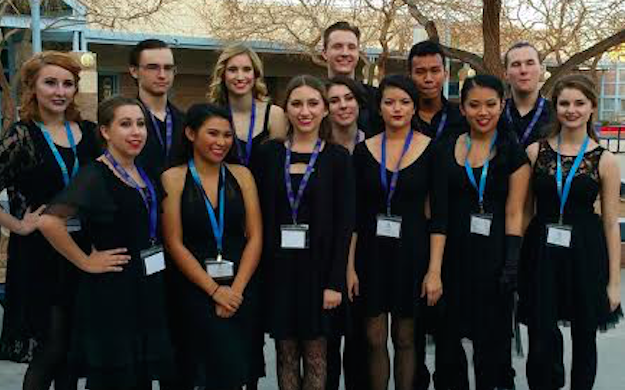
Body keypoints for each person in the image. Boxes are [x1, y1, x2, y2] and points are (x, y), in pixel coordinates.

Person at [38, 96, 174, 390]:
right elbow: (49, 221)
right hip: (112, 294)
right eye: (125, 124)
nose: (136, 131)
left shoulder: (144, 172)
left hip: (146, 287)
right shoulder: (95, 174)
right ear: (105, 131)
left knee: (139, 378)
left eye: (140, 124)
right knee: (114, 378)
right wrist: (85, 260)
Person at [0, 51, 100, 390]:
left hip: (82, 251)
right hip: (38, 257)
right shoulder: (22, 135)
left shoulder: (89, 133)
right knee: (51, 348)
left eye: (67, 84)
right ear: (33, 87)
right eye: (50, 83)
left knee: (73, 350)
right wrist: (17, 225)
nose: (60, 91)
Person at [519, 74, 622, 390]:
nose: (571, 110)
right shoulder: (535, 153)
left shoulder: (604, 160)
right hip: (541, 253)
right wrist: (516, 263)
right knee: (541, 336)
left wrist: (614, 282)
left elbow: (609, 222)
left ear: (592, 107)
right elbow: (524, 214)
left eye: (579, 103)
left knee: (584, 336)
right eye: (564, 103)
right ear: (555, 108)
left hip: (586, 255)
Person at [251, 75, 354, 390]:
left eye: (313, 103)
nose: (304, 111)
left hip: (319, 274)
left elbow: (345, 226)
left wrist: (335, 282)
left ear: (324, 110)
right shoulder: (268, 155)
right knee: (285, 355)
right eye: (296, 104)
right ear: (285, 109)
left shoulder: (338, 159)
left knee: (316, 356)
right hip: (279, 272)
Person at [431, 75, 530, 390]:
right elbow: (439, 213)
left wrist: (511, 264)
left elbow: (515, 213)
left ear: (503, 106)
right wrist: (434, 269)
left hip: (494, 263)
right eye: (474, 105)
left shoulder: (514, 154)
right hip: (452, 261)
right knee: (448, 347)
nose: (482, 112)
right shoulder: (445, 149)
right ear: (462, 107)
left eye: (491, 104)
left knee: (492, 350)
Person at [160, 103, 263, 390]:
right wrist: (215, 291)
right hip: (192, 287)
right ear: (191, 134)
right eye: (213, 134)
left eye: (227, 135)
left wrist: (236, 291)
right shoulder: (173, 178)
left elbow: (254, 237)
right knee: (192, 372)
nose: (221, 142)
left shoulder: (242, 175)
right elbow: (173, 243)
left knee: (232, 373)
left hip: (239, 286)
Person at [351, 75, 443, 390]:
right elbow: (354, 214)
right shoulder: (362, 151)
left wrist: (434, 271)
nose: (397, 108)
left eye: (404, 102)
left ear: (414, 107)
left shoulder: (431, 150)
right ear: (379, 108)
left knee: (405, 337)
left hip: (412, 254)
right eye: (389, 102)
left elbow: (439, 217)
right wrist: (349, 266)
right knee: (374, 337)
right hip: (371, 254)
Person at [207, 44, 287, 168]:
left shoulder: (274, 115)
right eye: (232, 70)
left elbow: (279, 167)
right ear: (222, 74)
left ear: (255, 74)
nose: (240, 77)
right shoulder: (210, 115)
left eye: (246, 69)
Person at [129, 39, 185, 176]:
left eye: (168, 68)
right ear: (134, 71)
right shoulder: (122, 122)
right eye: (153, 67)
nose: (162, 75)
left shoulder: (186, 122)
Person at [322, 21, 380, 138]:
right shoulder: (314, 98)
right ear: (324, 53)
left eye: (351, 47)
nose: (345, 53)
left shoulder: (376, 98)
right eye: (337, 47)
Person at [408, 40, 465, 144]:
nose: (428, 79)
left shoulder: (462, 117)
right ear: (410, 76)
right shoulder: (401, 118)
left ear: (445, 74)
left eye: (435, 71)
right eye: (420, 72)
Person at [503, 42, 552, 148]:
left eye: (530, 63)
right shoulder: (495, 114)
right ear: (506, 74)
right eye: (516, 64)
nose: (523, 70)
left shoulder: (557, 115)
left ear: (541, 70)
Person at [327, 76, 366, 153]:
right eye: (334, 101)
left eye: (349, 98)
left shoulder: (373, 143)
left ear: (358, 102)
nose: (343, 105)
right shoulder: (317, 146)